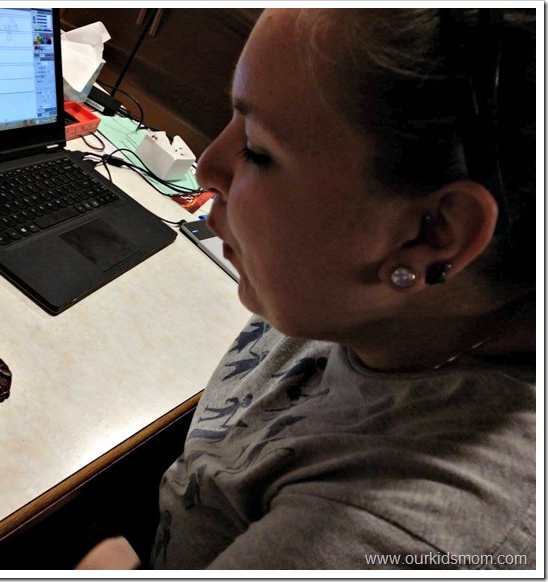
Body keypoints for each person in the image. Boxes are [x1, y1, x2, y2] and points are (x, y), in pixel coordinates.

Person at [76, 7, 537, 570]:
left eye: (257, 149)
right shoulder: (347, 298)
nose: (205, 168)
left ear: (433, 233)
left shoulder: (394, 534)